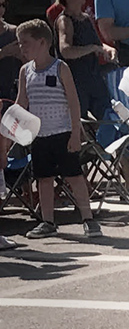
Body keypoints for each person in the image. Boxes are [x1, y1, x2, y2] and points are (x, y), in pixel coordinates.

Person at [14, 20, 100, 239]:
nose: (22, 47)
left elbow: (73, 102)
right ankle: (47, 221)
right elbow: (21, 103)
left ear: (42, 42)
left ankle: (88, 218)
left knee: (74, 176)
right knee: (43, 178)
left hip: (62, 132)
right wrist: (12, 128)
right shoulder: (25, 71)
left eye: (26, 43)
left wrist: (74, 133)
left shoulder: (60, 67)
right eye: (19, 43)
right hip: (39, 135)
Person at [52, 0, 117, 122]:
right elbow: (66, 50)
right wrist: (93, 49)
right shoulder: (65, 21)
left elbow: (97, 44)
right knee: (79, 125)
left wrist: (108, 49)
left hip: (94, 77)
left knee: (107, 119)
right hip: (75, 82)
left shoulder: (86, 18)